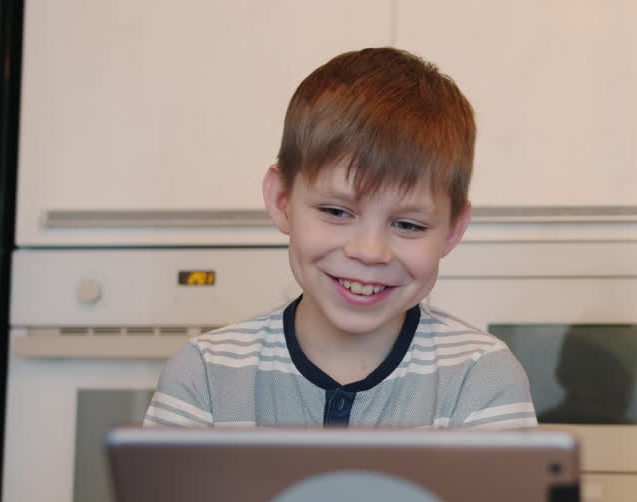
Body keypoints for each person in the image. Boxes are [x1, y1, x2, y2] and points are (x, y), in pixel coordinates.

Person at [143, 48, 536, 429]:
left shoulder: (480, 378)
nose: (369, 251)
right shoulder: (205, 375)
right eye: (336, 212)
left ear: (452, 229)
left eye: (408, 225)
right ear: (282, 201)